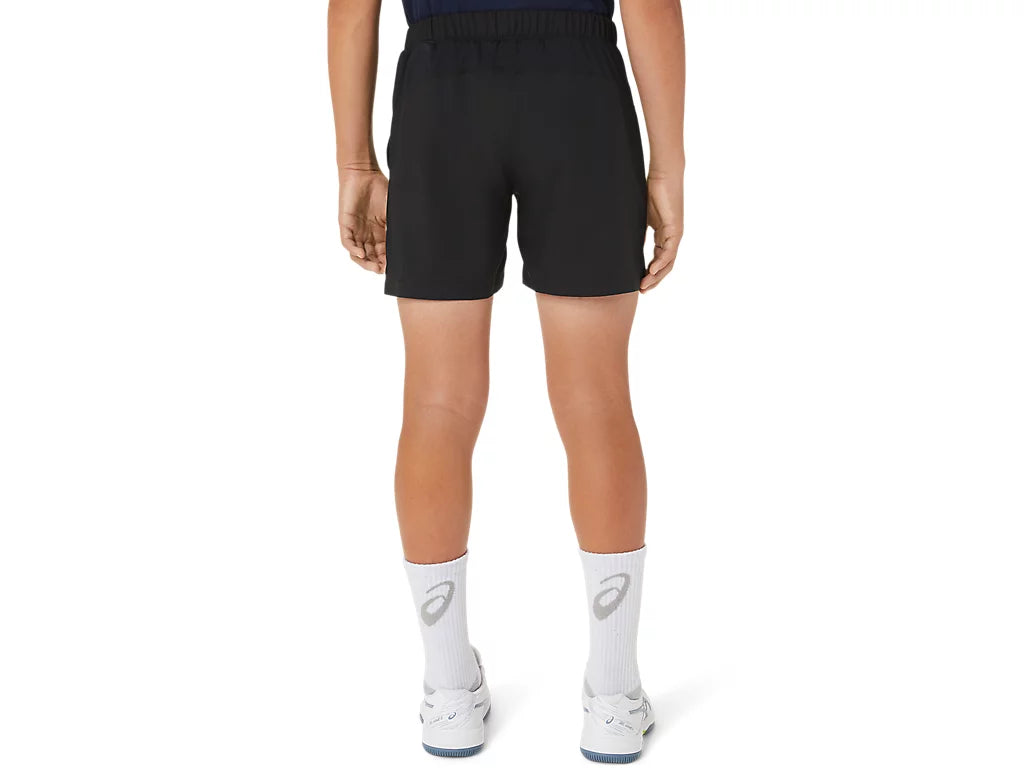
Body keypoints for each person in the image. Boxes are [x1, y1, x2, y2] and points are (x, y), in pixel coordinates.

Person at [328, 0, 684, 760]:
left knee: (436, 404)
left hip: (441, 94)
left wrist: (355, 161)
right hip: (578, 93)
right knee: (597, 402)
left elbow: (351, 7)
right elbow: (651, 5)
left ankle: (449, 692)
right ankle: (613, 696)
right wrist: (667, 165)